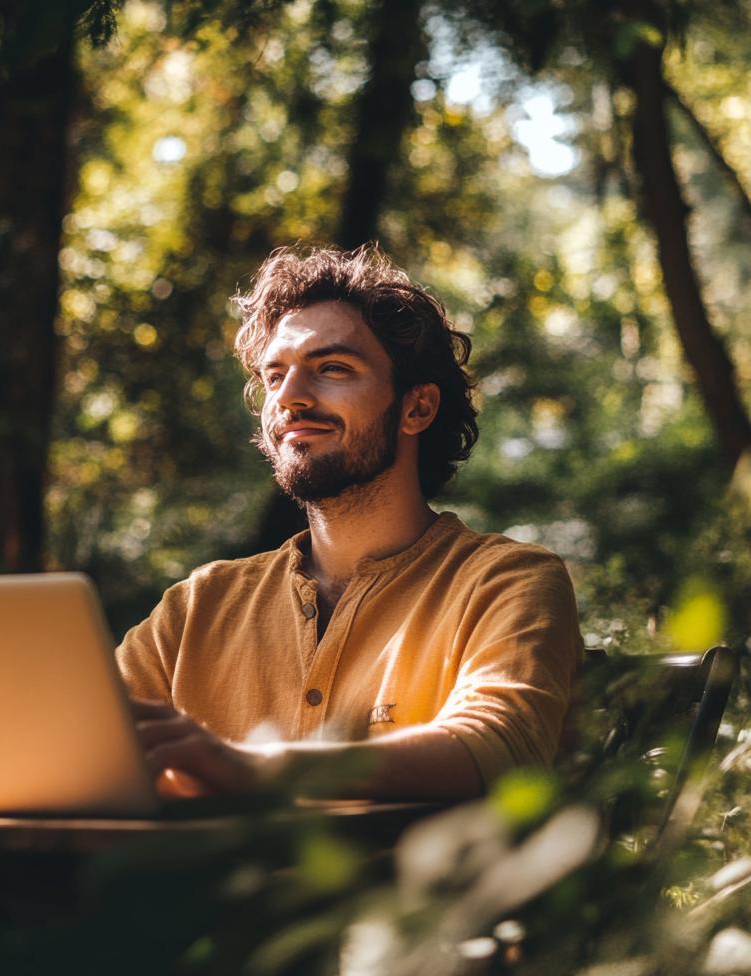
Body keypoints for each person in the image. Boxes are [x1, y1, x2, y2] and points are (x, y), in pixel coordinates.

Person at [117, 244, 582, 801]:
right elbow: (81, 742)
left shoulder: (505, 582)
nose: (288, 398)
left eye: (332, 369)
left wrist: (254, 767)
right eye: (274, 376)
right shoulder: (198, 606)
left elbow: (500, 745)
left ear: (417, 409)